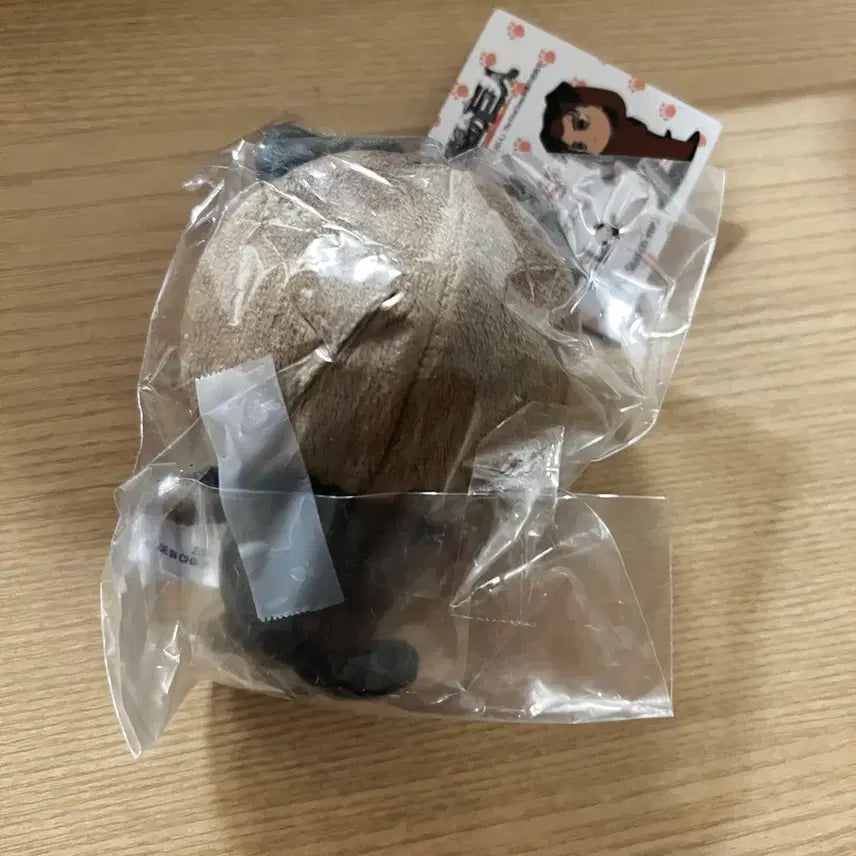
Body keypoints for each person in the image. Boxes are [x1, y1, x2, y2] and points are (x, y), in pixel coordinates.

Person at [540, 82, 701, 161]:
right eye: (580, 146)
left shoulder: (622, 129)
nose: (590, 139)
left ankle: (680, 150)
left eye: (582, 124)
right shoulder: (622, 146)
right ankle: (683, 150)